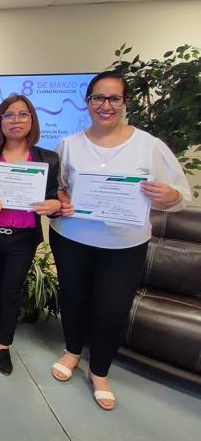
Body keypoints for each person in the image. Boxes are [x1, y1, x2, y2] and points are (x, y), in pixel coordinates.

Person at [49, 71, 191, 410]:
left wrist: (169, 195)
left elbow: (181, 194)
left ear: (124, 103)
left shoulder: (149, 145)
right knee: (73, 299)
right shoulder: (69, 144)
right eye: (99, 98)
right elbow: (60, 186)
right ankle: (71, 352)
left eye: (114, 98)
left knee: (112, 308)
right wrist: (62, 198)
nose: (106, 105)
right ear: (88, 102)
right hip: (72, 237)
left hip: (124, 245)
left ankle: (99, 371)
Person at [0, 94, 60, 375]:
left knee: (11, 294)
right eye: (8, 115)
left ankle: (4, 345)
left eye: (22, 114)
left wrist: (54, 205)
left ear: (32, 120)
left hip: (23, 239)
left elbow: (55, 198)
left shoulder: (48, 158)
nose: (15, 120)